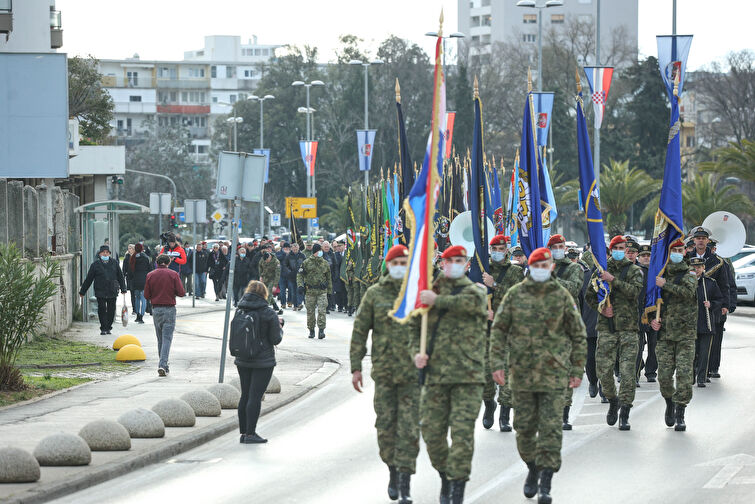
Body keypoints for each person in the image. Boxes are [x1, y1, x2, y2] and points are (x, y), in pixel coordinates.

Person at [491, 247, 587, 504]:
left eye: (545, 266)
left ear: (552, 268)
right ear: (529, 268)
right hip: (521, 375)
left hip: (554, 375)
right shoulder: (515, 295)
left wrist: (577, 369)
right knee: (523, 428)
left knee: (551, 429)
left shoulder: (562, 296)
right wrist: (497, 364)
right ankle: (532, 466)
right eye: (536, 266)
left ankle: (545, 479)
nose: (541, 270)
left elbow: (578, 334)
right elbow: (499, 330)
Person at [414, 245, 487, 503]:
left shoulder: (475, 291)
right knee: (432, 434)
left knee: (462, 434)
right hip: (436, 377)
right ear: (442, 264)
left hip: (468, 377)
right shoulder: (427, 293)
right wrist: (416, 353)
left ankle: (457, 487)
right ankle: (445, 474)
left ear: (466, 264)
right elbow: (415, 329)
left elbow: (471, 305)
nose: (455, 264)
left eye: (460, 260)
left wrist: (439, 301)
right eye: (450, 260)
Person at [350, 245, 420, 503]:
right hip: (385, 373)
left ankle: (405, 480)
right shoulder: (374, 294)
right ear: (388, 265)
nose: (401, 266)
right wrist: (356, 366)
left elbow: (434, 330)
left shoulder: (416, 295)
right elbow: (360, 330)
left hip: (413, 376)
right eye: (396, 262)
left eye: (405, 262)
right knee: (386, 427)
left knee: (410, 429)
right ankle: (392, 469)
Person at [585, 235, 643, 431]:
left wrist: (614, 281)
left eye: (622, 247)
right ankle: (613, 400)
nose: (620, 250)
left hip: (628, 329)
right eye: (616, 247)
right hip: (606, 328)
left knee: (627, 374)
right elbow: (589, 296)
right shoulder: (601, 270)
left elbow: (635, 292)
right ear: (611, 249)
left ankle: (625, 411)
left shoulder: (634, 270)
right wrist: (601, 309)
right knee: (604, 371)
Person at [650, 239, 698, 431]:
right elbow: (651, 301)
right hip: (665, 334)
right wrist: (653, 318)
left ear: (685, 251)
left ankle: (680, 412)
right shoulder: (658, 275)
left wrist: (666, 284)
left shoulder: (690, 274)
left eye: (680, 250)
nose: (677, 253)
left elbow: (687, 292)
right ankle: (669, 401)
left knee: (685, 377)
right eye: (673, 250)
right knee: (664, 377)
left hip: (685, 334)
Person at [481, 234, 524, 432]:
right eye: (494, 249)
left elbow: (517, 296)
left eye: (501, 249)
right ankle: (489, 403)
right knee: (486, 376)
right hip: (485, 331)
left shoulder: (515, 271)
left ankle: (505, 415)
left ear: (506, 250)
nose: (497, 253)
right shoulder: (481, 269)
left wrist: (494, 285)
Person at [234, 280, 283, 444]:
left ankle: (243, 432)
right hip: (263, 361)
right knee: (255, 396)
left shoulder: (239, 310)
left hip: (242, 358)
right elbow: (276, 339)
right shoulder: (268, 312)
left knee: (245, 394)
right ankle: (250, 433)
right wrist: (280, 326)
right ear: (264, 294)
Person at [547, 234, 584, 431]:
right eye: (555, 246)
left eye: (561, 246)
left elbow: (574, 288)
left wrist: (551, 276)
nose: (558, 249)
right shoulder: (539, 270)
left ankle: (564, 414)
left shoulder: (574, 268)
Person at [144, 254, 185, 376]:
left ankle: (163, 364)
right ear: (168, 262)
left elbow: (146, 295)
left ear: (157, 262)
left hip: (156, 309)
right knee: (167, 338)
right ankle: (162, 364)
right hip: (169, 309)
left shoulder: (150, 275)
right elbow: (181, 292)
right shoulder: (173, 274)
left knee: (160, 338)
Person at [691, 257, 724, 389]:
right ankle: (690, 376)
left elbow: (719, 299)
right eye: (693, 268)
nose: (696, 270)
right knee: (691, 353)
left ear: (703, 268)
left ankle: (701, 378)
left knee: (704, 353)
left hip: (706, 323)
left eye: (699, 267)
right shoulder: (685, 283)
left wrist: (712, 304)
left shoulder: (710, 283)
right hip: (690, 325)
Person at [79, 245, 127, 335]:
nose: (105, 254)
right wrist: (83, 291)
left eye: (107, 252)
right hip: (100, 290)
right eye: (103, 252)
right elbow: (89, 279)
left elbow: (120, 276)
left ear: (109, 254)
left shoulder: (114, 263)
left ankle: (108, 327)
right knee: (101, 308)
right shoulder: (95, 265)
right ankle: (103, 328)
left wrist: (123, 288)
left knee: (111, 309)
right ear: (100, 254)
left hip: (112, 289)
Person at [706, 238, 736, 379]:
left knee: (716, 339)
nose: (711, 249)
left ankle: (713, 367)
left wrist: (728, 305)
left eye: (712, 247)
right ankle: (702, 368)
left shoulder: (722, 263)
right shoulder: (698, 261)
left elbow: (729, 285)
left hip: (718, 306)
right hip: (704, 306)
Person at [297, 243, 332, 339]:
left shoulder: (325, 263)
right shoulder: (306, 262)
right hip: (310, 291)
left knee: (322, 311)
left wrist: (329, 291)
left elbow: (329, 277)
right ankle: (311, 330)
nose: (321, 252)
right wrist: (300, 285)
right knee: (310, 312)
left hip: (322, 291)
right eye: (319, 250)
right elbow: (299, 275)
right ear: (315, 252)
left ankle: (321, 330)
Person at [635, 244, 658, 384]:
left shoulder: (658, 271)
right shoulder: (635, 271)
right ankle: (636, 374)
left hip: (655, 312)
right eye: (643, 255)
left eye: (648, 255)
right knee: (637, 346)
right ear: (639, 257)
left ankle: (651, 372)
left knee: (654, 345)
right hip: (639, 313)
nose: (646, 257)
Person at [129, 243, 152, 324]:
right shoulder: (146, 258)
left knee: (137, 299)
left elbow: (130, 270)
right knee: (144, 299)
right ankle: (141, 316)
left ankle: (137, 315)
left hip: (136, 280)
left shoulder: (133, 257)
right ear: (142, 249)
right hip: (144, 280)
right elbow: (150, 269)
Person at [259, 247, 283, 314]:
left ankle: (265, 308)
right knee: (265, 292)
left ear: (269, 257)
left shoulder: (276, 262)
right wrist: (260, 276)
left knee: (269, 293)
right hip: (265, 278)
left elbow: (277, 274)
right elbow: (260, 267)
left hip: (272, 279)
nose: (266, 262)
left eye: (267, 260)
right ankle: (275, 306)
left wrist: (275, 285)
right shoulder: (263, 259)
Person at [285, 243, 306, 310]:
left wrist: (302, 270)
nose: (295, 250)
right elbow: (285, 265)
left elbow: (305, 264)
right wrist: (289, 272)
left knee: (300, 290)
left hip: (300, 275)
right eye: (293, 248)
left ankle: (299, 303)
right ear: (291, 248)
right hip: (292, 276)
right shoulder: (288, 256)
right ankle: (295, 305)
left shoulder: (302, 255)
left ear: (298, 248)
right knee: (293, 291)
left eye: (296, 248)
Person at [332, 241, 348, 313]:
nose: (338, 247)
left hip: (346, 275)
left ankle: (346, 306)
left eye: (340, 246)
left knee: (346, 292)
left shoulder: (348, 254)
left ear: (344, 246)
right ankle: (340, 306)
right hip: (338, 276)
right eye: (337, 246)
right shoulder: (335, 255)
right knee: (338, 292)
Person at [122, 244, 136, 310]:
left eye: (130, 248)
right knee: (132, 293)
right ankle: (134, 308)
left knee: (138, 293)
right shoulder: (126, 257)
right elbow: (124, 268)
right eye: (128, 248)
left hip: (136, 277)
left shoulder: (137, 256)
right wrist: (123, 275)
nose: (129, 249)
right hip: (129, 277)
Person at [276, 242, 291, 307]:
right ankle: (283, 303)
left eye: (288, 248)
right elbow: (278, 258)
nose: (287, 249)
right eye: (285, 248)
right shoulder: (279, 253)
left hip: (290, 275)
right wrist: (285, 254)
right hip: (281, 275)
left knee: (290, 289)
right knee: (282, 290)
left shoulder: (291, 254)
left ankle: (290, 301)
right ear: (283, 248)